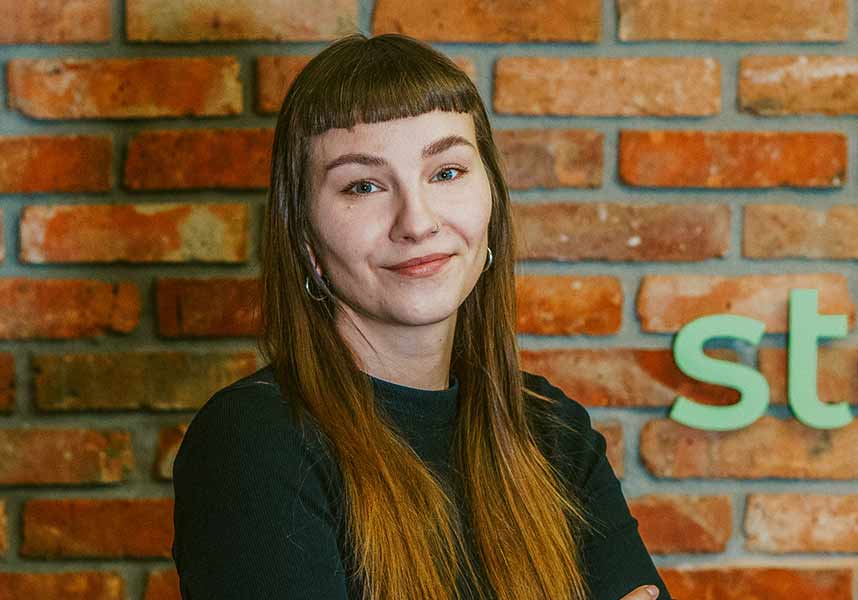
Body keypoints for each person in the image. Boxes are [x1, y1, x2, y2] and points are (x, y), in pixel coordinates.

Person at [170, 32, 673, 600]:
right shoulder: (254, 444)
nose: (417, 221)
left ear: (492, 202)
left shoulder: (552, 431)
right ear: (305, 237)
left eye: (446, 173)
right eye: (363, 185)